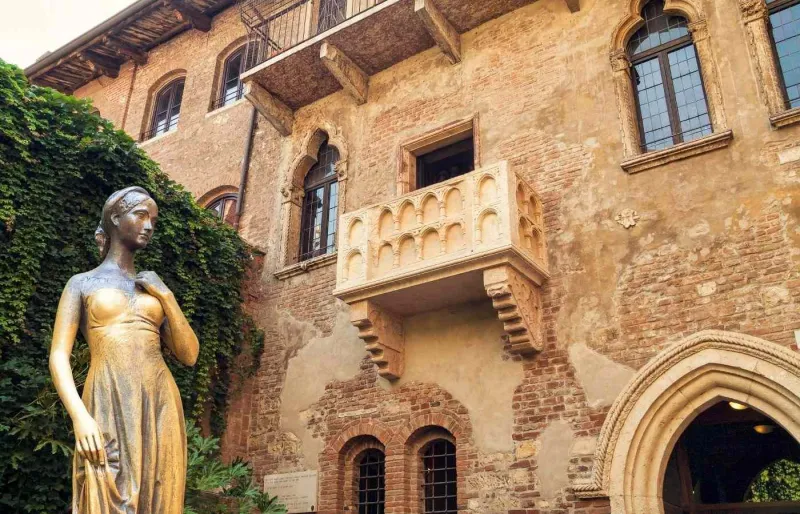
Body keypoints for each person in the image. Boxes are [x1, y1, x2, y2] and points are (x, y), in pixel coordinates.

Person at [49, 187, 199, 513]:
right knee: (105, 485)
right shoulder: (82, 283)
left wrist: (167, 297)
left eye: (153, 220)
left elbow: (189, 355)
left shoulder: (152, 288)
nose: (149, 226)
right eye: (141, 215)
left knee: (159, 495)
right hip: (108, 393)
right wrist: (79, 416)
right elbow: (59, 355)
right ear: (116, 218)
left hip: (158, 397)